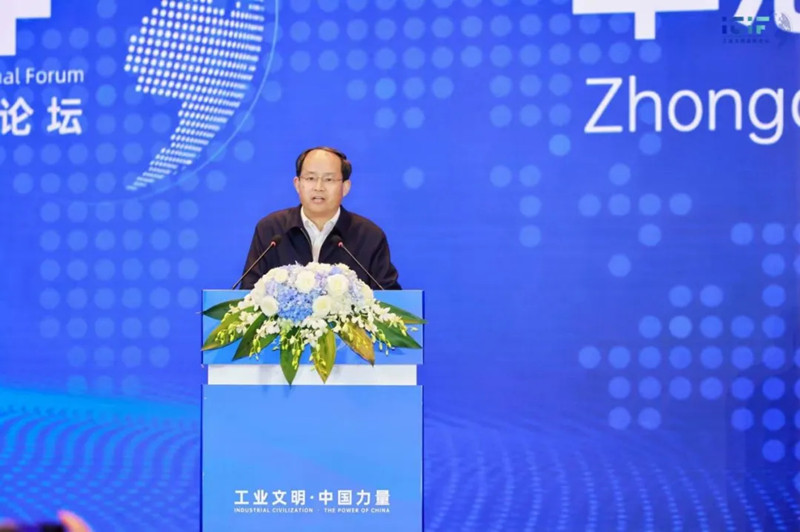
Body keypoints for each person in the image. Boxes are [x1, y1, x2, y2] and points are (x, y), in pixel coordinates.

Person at [239, 146, 401, 290]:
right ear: (297, 184)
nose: (318, 187)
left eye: (329, 179)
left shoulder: (369, 236)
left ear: (345, 187)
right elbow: (249, 293)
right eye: (310, 178)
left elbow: (390, 300)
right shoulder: (271, 230)